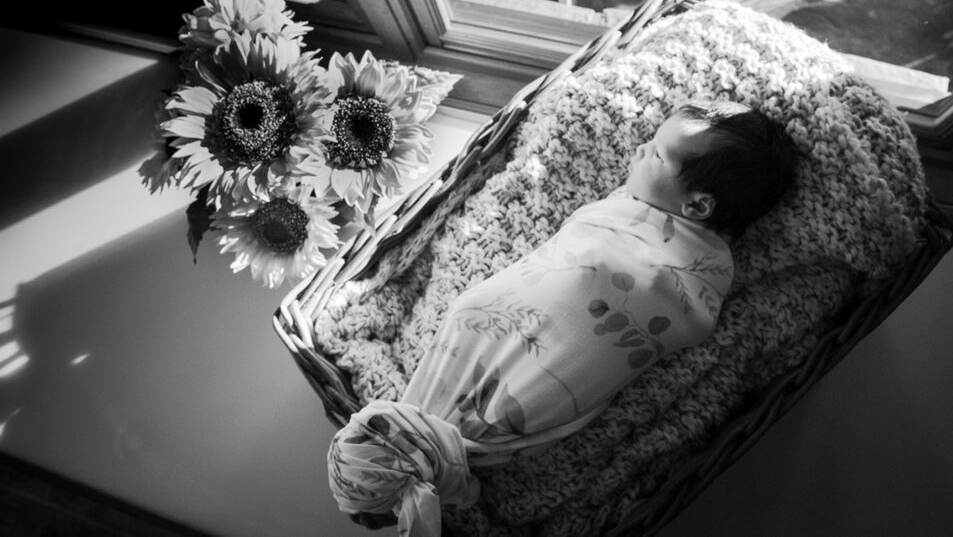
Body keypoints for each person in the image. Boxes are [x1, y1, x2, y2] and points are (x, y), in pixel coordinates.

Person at [327, 101, 800, 536]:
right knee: (474, 324)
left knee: (513, 387)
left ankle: (424, 447)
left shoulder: (690, 272)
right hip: (500, 331)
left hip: (552, 367)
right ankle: (422, 445)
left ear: (696, 206)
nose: (639, 149)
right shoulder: (630, 213)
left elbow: (636, 293)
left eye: (656, 153)